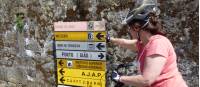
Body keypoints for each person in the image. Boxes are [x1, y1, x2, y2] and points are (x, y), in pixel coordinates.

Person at [110, 1, 188, 87]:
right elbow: (128, 44)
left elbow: (146, 80)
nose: (129, 31)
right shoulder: (145, 44)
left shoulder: (157, 44)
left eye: (130, 28)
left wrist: (120, 78)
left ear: (137, 27)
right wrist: (111, 39)